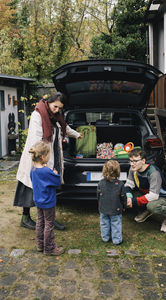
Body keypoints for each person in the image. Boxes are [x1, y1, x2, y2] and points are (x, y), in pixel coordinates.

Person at [14, 92, 81, 230]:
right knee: (31, 188)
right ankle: (25, 218)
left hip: (53, 156)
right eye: (55, 106)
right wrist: (41, 161)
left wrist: (77, 134)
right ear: (48, 102)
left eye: (59, 108)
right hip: (38, 157)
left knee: (50, 188)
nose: (57, 110)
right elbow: (35, 138)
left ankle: (49, 219)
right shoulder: (37, 115)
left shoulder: (56, 116)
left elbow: (64, 128)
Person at [125, 149, 166, 233]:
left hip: (162, 197)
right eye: (130, 161)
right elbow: (128, 184)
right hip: (147, 193)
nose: (132, 164)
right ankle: (146, 210)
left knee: (152, 206)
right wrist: (129, 197)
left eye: (135, 161)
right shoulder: (133, 168)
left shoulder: (153, 172)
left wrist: (133, 201)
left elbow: (153, 196)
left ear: (143, 161)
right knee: (125, 195)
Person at [29, 141, 64, 256]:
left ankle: (40, 244)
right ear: (43, 157)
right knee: (49, 224)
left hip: (38, 201)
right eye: (48, 155)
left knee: (40, 222)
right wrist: (54, 172)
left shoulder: (33, 170)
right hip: (48, 202)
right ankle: (49, 248)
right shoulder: (46, 171)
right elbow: (56, 181)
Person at [97, 160, 127, 245]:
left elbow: (98, 196)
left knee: (104, 223)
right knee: (116, 224)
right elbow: (123, 197)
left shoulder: (100, 183)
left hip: (103, 208)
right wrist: (124, 206)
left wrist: (99, 205)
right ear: (118, 171)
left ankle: (105, 238)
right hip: (116, 208)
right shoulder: (120, 184)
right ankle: (116, 240)